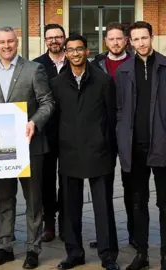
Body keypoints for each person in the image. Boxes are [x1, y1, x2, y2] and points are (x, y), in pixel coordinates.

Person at [0, 26, 54, 269]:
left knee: (33, 200)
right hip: (0, 150)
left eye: (10, 41)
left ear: (17, 42)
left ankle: (33, 249)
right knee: (4, 199)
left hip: (30, 146)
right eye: (1, 42)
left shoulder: (34, 69)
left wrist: (35, 121)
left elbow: (47, 102)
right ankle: (5, 246)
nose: (6, 46)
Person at [51, 34, 119, 270]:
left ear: (87, 51)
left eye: (79, 49)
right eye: (71, 50)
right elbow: (55, 118)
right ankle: (74, 254)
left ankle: (108, 255)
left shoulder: (102, 80)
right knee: (70, 209)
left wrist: (109, 148)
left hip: (99, 153)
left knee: (103, 207)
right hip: (69, 153)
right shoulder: (57, 83)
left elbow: (112, 118)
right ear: (66, 53)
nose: (75, 54)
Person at [116, 21, 166, 270]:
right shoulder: (124, 71)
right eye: (135, 39)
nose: (141, 43)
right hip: (135, 148)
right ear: (130, 42)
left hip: (163, 146)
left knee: (165, 203)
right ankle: (142, 253)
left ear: (152, 37)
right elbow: (120, 110)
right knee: (138, 202)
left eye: (144, 38)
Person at [89, 21, 134, 250]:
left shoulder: (135, 62)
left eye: (119, 38)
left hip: (129, 131)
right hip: (103, 132)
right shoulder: (96, 64)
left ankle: (136, 234)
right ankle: (105, 236)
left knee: (132, 186)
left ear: (126, 40)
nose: (116, 42)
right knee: (103, 189)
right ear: (105, 41)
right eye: (112, 39)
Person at [32, 23, 67, 243]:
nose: (54, 40)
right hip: (45, 132)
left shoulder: (74, 61)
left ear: (64, 38)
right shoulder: (37, 65)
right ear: (45, 41)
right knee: (46, 180)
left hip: (69, 132)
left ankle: (66, 222)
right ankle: (49, 223)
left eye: (58, 37)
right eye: (49, 37)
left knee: (67, 180)